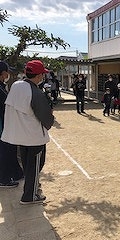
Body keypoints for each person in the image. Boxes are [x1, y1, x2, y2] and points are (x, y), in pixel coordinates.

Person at [1, 59, 54, 204]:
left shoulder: (16, 86)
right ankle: (29, 195)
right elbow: (47, 119)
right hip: (34, 137)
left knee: (27, 165)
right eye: (42, 75)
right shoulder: (35, 92)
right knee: (36, 165)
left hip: (20, 136)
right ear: (38, 76)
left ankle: (31, 188)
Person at [0, 61, 24, 188]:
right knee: (5, 152)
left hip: (6, 126)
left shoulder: (2, 87)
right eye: (8, 72)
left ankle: (16, 173)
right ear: (3, 73)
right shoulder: (1, 90)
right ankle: (4, 179)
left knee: (11, 150)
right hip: (3, 128)